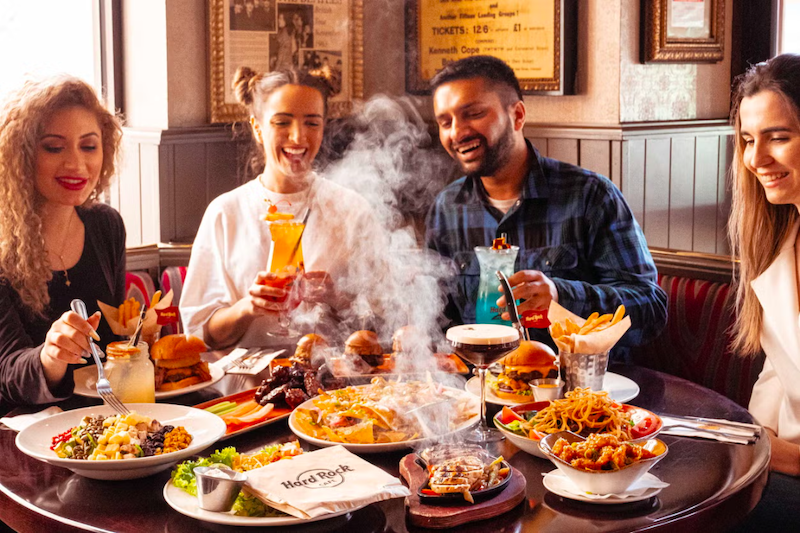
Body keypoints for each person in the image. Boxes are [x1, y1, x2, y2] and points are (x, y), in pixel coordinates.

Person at [425, 56, 667, 358]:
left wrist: (560, 295)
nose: (457, 132)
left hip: (577, 393)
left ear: (517, 115)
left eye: (472, 114)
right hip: (475, 390)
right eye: (445, 122)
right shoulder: (447, 208)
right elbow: (437, 314)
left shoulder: (591, 196)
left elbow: (651, 308)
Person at [180, 66, 373, 349]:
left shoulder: (352, 210)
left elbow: (379, 324)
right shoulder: (225, 213)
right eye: (282, 122)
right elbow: (202, 335)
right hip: (246, 388)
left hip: (331, 386)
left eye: (312, 123)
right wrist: (248, 307)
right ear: (258, 128)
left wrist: (338, 299)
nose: (298, 137)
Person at [0, 76, 125, 413]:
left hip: (109, 420)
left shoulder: (106, 225)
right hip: (20, 436)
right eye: (54, 147)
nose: (76, 164)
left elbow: (113, 342)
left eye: (88, 146)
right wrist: (50, 356)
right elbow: (5, 372)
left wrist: (141, 338)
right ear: (21, 155)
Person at [727, 54, 800, 530]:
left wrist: (783, 455)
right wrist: (758, 441)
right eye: (749, 140)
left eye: (779, 137)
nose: (756, 159)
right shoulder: (783, 240)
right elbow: (778, 371)